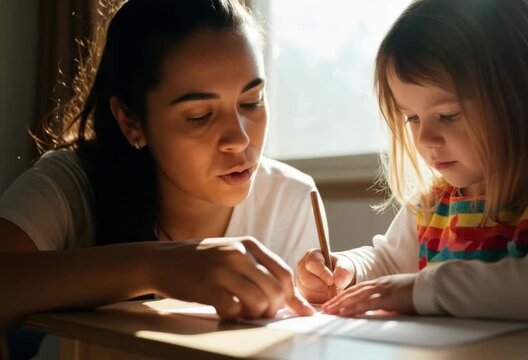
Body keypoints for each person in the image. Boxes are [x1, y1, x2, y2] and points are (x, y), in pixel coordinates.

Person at [296, 0, 528, 322]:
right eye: (412, 118)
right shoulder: (435, 204)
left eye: (448, 115)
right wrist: (347, 271)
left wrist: (425, 288)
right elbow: (388, 263)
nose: (424, 139)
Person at [0, 0, 319, 332]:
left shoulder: (290, 198)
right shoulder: (71, 184)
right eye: (200, 116)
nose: (239, 139)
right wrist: (154, 266)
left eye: (251, 102)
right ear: (130, 121)